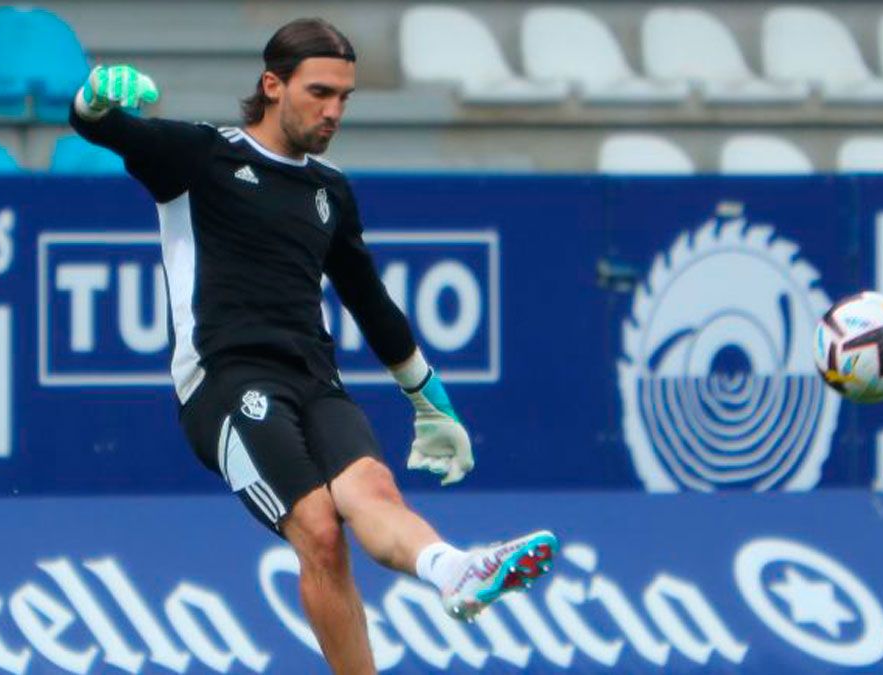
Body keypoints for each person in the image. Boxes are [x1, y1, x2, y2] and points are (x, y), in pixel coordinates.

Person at [70, 18, 558, 673]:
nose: (333, 112)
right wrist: (93, 97)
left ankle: (453, 568)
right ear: (273, 85)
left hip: (313, 378)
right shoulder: (201, 156)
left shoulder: (329, 190)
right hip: (225, 383)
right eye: (320, 92)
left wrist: (429, 400)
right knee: (321, 531)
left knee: (373, 492)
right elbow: (99, 127)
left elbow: (369, 300)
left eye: (344, 98)